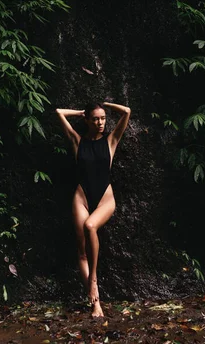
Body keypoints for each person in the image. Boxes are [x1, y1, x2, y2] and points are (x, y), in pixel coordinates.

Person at [55, 101, 131, 318]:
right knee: (81, 252)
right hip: (81, 198)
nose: (100, 123)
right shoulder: (78, 142)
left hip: (105, 198)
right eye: (96, 119)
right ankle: (96, 304)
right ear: (87, 120)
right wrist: (79, 112)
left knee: (90, 226)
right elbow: (59, 112)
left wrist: (106, 104)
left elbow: (126, 112)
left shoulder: (111, 141)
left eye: (103, 118)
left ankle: (93, 281)